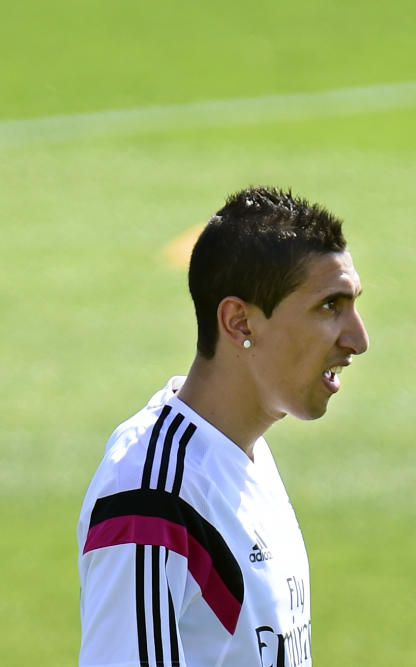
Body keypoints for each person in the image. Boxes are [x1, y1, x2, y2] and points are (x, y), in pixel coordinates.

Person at [76, 186, 370, 667]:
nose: (358, 339)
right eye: (329, 306)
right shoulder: (154, 498)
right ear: (240, 323)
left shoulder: (243, 452)